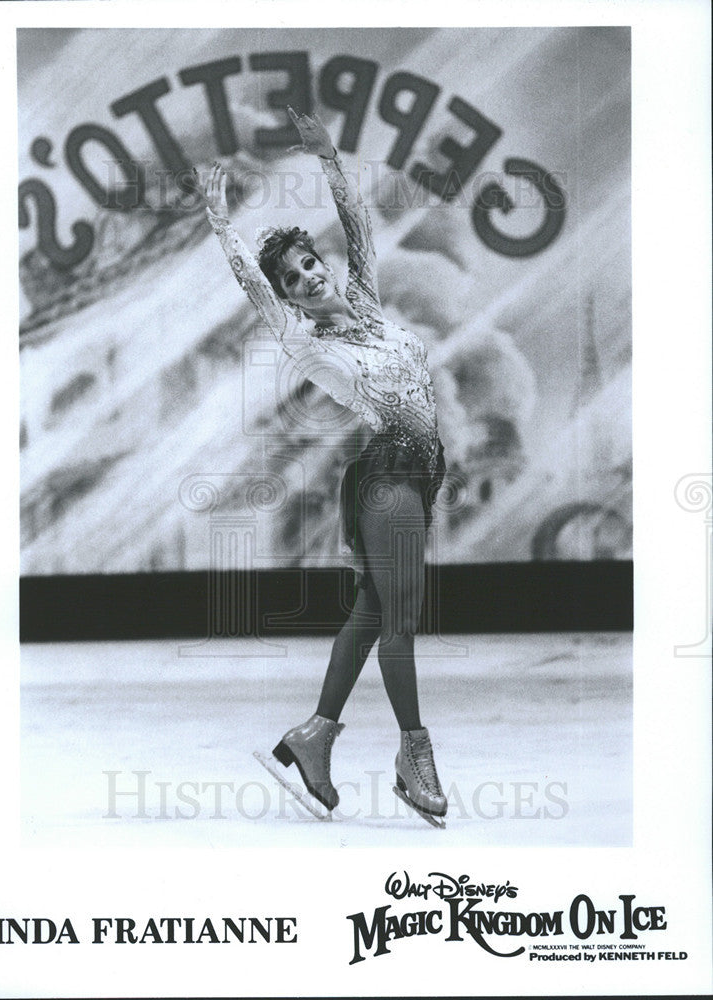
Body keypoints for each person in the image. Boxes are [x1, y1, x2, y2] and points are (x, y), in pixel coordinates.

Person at [197, 108, 448, 825]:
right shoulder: (304, 341)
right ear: (286, 295)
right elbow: (254, 286)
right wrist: (224, 228)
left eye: (310, 264)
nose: (307, 280)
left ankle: (314, 736)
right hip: (388, 476)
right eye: (292, 279)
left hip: (419, 473)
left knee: (374, 611)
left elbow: (360, 224)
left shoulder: (366, 299)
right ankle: (414, 756)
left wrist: (331, 160)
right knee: (399, 618)